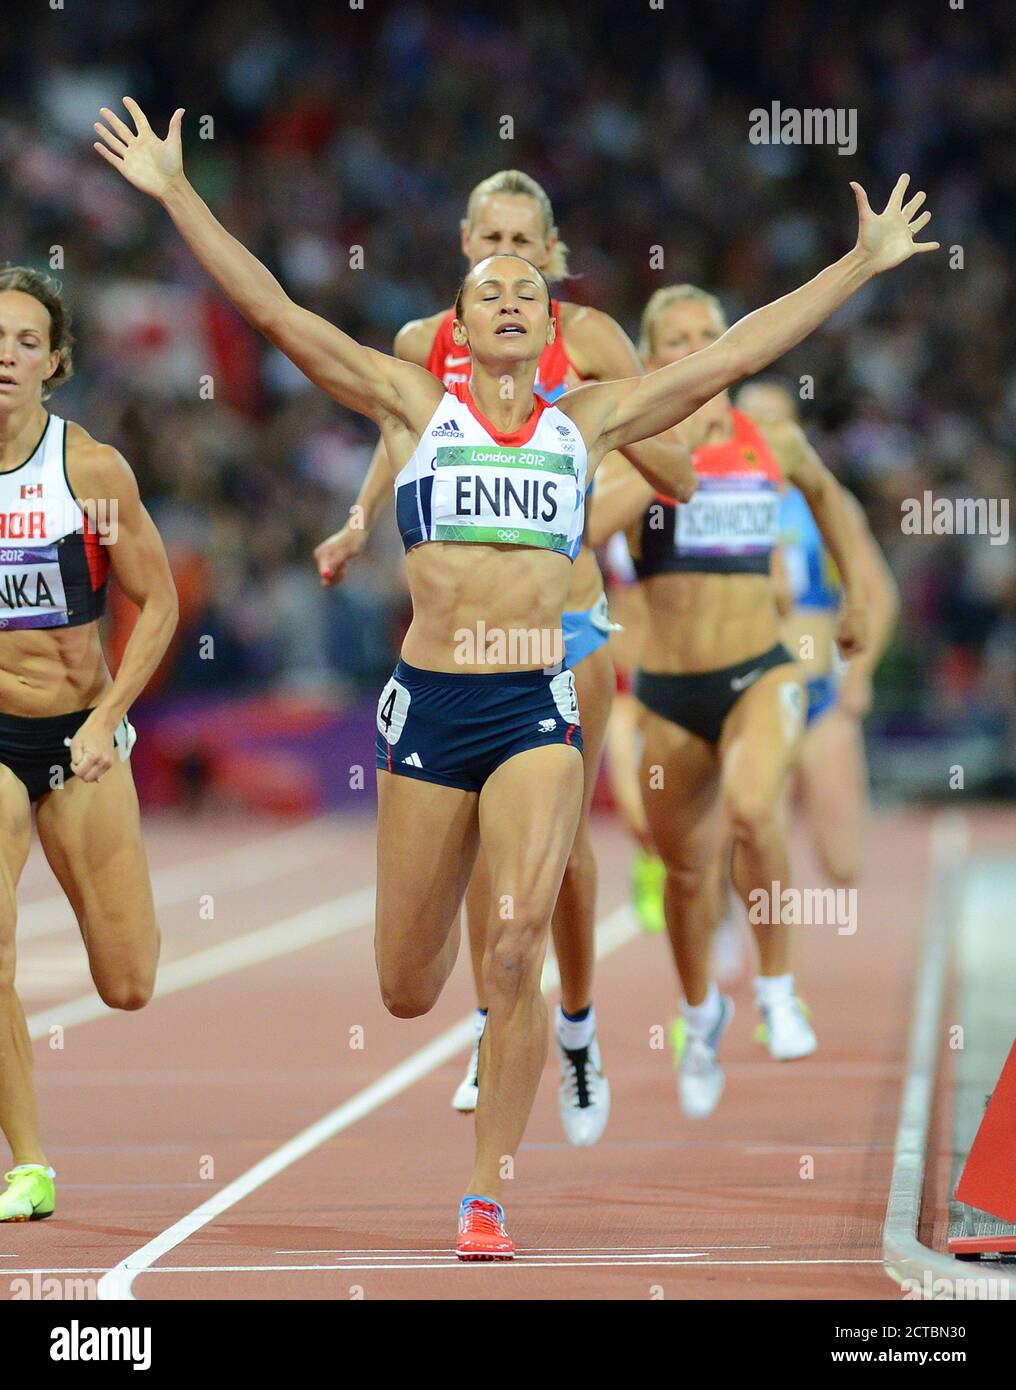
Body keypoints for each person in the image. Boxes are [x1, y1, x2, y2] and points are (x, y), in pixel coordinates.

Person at [94, 96, 936, 1252]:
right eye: (484, 282)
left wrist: (858, 262)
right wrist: (177, 193)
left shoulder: (585, 421)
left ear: (550, 323)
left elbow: (738, 352)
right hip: (430, 703)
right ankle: (474, 1017)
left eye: (524, 288)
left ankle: (486, 1189)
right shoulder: (411, 401)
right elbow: (280, 314)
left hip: (536, 701)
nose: (503, 292)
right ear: (461, 308)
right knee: (404, 981)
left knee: (511, 945)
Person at [313, 169, 695, 1146]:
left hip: (563, 623)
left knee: (557, 857)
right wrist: (359, 520)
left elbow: (675, 474)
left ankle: (568, 1025)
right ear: (464, 243)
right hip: (452, 640)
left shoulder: (591, 340)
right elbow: (403, 438)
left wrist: (583, 460)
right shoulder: (420, 345)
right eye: (494, 238)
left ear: (552, 254)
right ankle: (496, 1018)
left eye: (528, 243)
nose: (511, 256)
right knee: (476, 849)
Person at [586, 273, 919, 1119]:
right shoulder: (627, 446)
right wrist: (675, 453)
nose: (696, 353)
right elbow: (586, 533)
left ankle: (777, 991)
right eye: (676, 343)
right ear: (651, 360)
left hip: (760, 672)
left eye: (710, 337)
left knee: (750, 810)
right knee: (689, 878)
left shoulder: (775, 437)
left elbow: (833, 505)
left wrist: (851, 603)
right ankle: (702, 1013)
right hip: (665, 692)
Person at [0, 266, 177, 1220]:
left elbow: (159, 599)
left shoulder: (90, 471)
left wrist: (108, 719)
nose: (4, 355)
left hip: (79, 732)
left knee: (129, 980)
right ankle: (27, 1164)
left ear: (53, 364)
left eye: (25, 341)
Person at [739, 378, 900, 886]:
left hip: (820, 696)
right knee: (758, 845)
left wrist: (860, 675)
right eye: (752, 419)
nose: (763, 431)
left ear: (796, 430)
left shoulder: (828, 503)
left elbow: (880, 597)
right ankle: (752, 951)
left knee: (843, 863)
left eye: (775, 420)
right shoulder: (714, 497)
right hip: (751, 696)